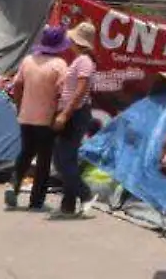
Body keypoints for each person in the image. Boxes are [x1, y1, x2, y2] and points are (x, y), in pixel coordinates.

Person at [4, 25, 71, 211]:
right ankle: (36, 201)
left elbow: (17, 85)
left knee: (25, 153)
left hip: (26, 116)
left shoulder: (28, 61)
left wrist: (19, 106)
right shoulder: (59, 65)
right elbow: (63, 94)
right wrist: (60, 115)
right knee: (43, 160)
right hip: (46, 119)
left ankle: (13, 184)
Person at [49, 20, 99, 219]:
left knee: (62, 160)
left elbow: (81, 91)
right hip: (74, 112)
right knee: (65, 158)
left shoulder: (84, 61)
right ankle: (68, 203)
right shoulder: (80, 60)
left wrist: (65, 113)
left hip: (75, 113)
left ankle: (85, 194)